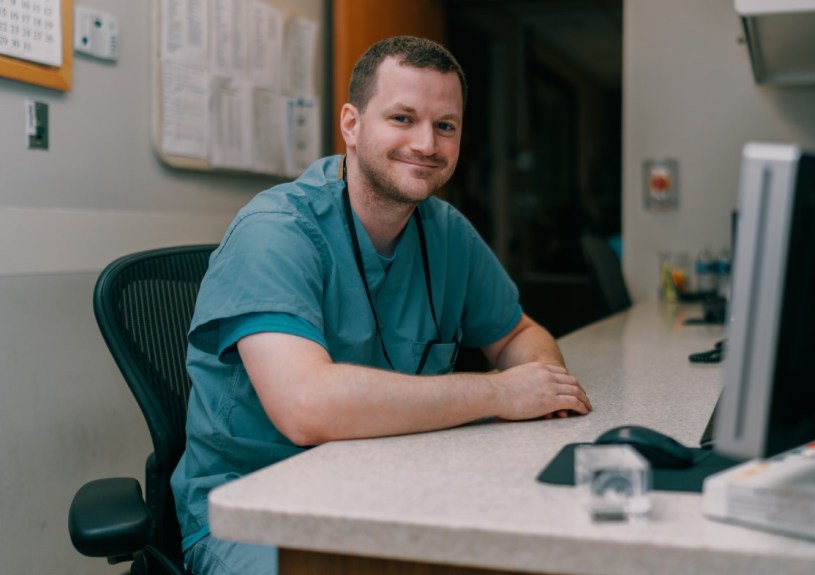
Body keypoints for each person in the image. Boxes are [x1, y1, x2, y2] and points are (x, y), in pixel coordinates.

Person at [170, 35, 593, 575]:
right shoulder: (276, 232)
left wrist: (545, 382)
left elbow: (516, 333)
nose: (426, 143)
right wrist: (501, 391)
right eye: (402, 117)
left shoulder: (446, 233)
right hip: (259, 511)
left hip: (392, 486)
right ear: (351, 124)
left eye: (446, 126)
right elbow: (307, 407)